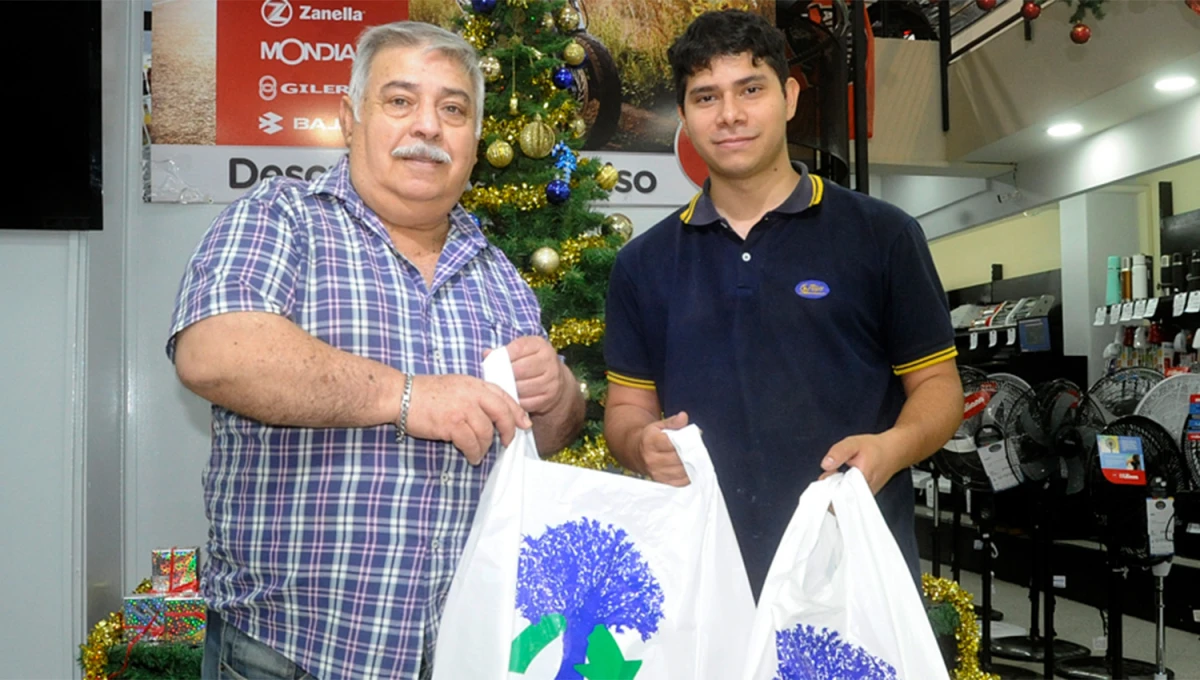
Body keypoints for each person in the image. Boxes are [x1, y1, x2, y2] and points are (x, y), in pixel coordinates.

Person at [167, 21, 584, 680]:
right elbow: (215, 354)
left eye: (453, 109)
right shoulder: (282, 217)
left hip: (460, 655)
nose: (428, 126)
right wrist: (407, 397)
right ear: (350, 119)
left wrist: (558, 392)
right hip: (288, 654)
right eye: (400, 101)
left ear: (474, 141)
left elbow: (549, 438)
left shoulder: (500, 273)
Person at [603, 9, 963, 597]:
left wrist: (889, 449)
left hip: (851, 568)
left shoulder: (882, 234)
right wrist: (640, 444)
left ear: (790, 96)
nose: (731, 115)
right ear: (686, 116)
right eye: (705, 97)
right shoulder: (641, 265)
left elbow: (940, 390)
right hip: (701, 577)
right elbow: (626, 410)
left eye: (751, 88)